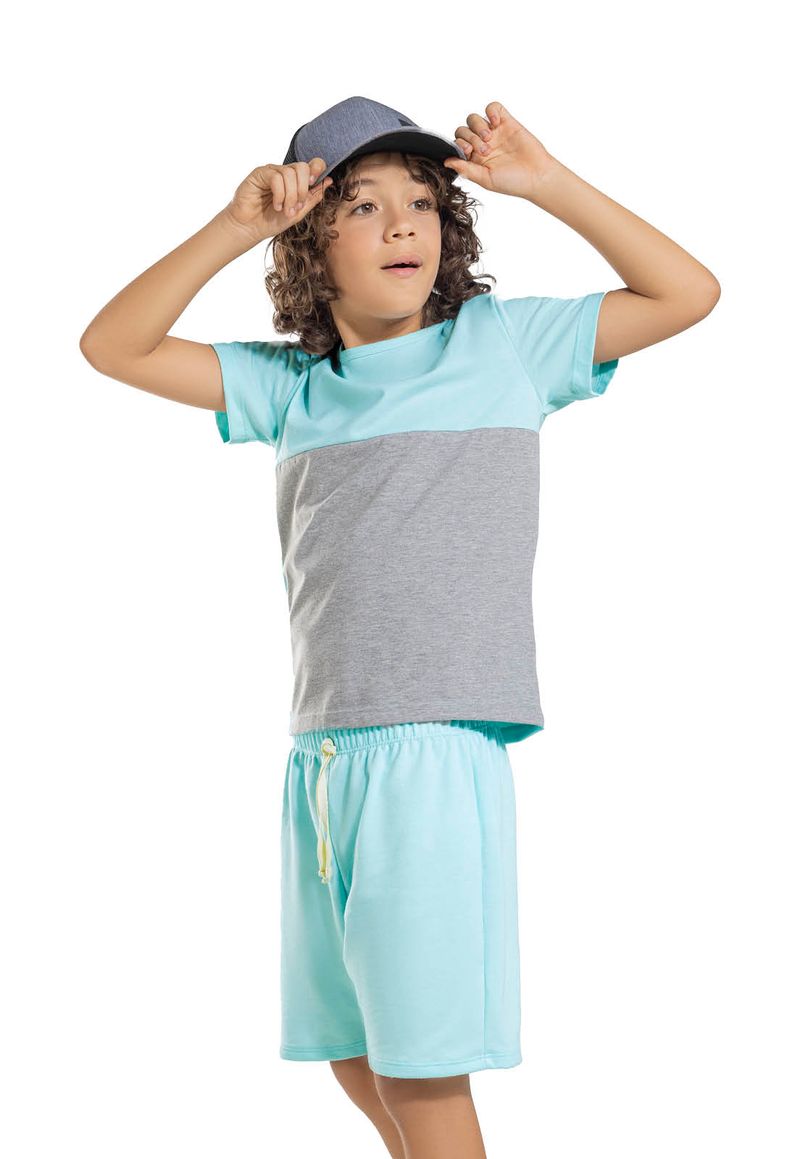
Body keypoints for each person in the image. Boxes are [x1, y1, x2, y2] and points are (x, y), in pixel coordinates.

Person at [79, 95, 720, 1159]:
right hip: (322, 756)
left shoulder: (504, 347)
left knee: (423, 1072)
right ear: (308, 242)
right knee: (353, 1051)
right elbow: (112, 344)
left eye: (420, 202)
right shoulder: (291, 389)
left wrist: (548, 183)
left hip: (432, 749)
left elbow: (685, 291)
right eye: (362, 205)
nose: (400, 225)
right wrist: (235, 225)